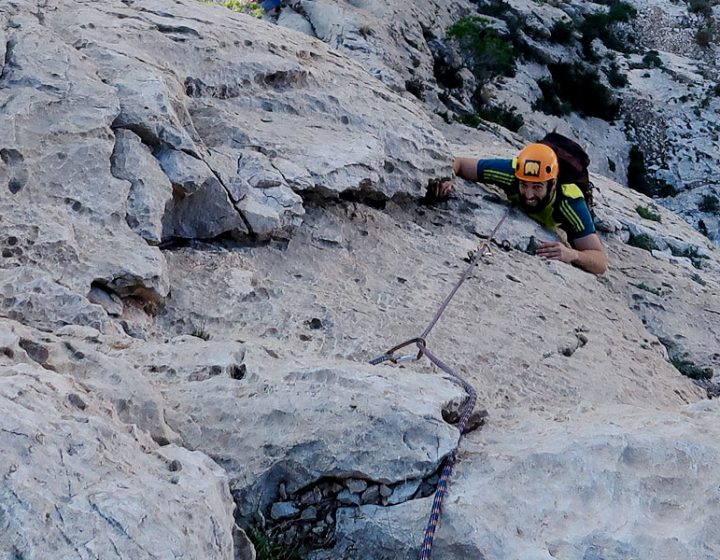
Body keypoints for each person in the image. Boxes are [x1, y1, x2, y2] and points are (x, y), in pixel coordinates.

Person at [430, 143, 608, 275]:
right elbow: (460, 163)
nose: (528, 195)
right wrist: (448, 177)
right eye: (524, 185)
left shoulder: (570, 203)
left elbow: (600, 262)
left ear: (553, 184)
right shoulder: (512, 173)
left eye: (537, 187)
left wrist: (573, 254)